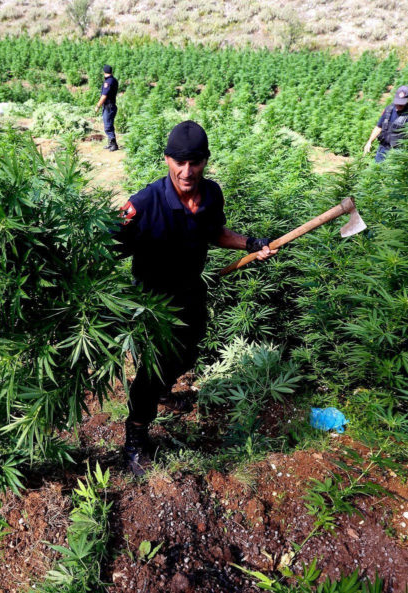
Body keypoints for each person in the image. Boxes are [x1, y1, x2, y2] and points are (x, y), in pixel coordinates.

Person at [112, 121, 275, 476]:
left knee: (188, 351)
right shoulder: (143, 204)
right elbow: (108, 248)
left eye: (196, 163)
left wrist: (250, 244)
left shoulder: (211, 193)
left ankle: (161, 392)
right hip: (153, 304)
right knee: (151, 371)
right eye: (180, 163)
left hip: (190, 290)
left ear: (205, 161)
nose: (187, 172)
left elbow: (214, 231)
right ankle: (135, 438)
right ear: (167, 159)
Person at [364, 85, 408, 163]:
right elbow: (379, 127)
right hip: (383, 148)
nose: (399, 105)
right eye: (398, 102)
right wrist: (369, 142)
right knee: (378, 170)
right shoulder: (389, 109)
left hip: (399, 151)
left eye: (402, 103)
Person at [94, 65, 119, 151]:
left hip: (109, 107)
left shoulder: (108, 82)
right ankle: (110, 143)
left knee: (108, 126)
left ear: (104, 72)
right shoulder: (114, 80)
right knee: (109, 124)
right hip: (111, 106)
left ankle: (114, 144)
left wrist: (97, 106)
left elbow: (104, 96)